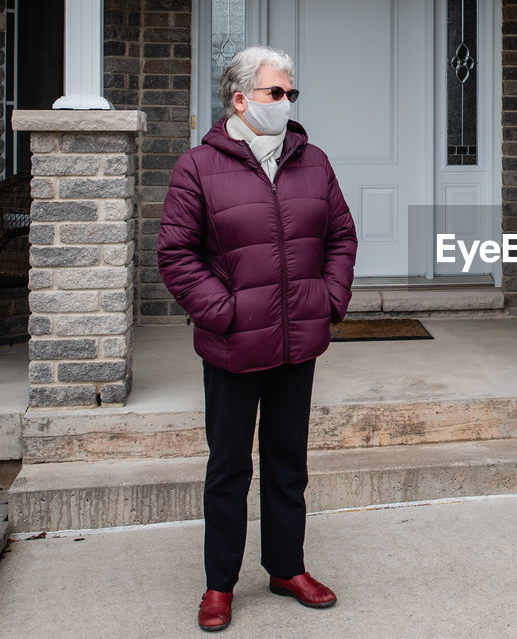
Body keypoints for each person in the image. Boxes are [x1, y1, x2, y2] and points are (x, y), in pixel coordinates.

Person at [158, 45, 357, 632]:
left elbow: (341, 237)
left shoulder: (312, 161)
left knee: (286, 461)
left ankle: (286, 567)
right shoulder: (197, 167)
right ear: (241, 99)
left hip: (299, 340)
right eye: (278, 92)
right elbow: (175, 255)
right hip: (233, 346)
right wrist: (222, 313)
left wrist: (330, 299)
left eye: (291, 92)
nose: (287, 102)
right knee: (227, 468)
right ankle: (219, 584)